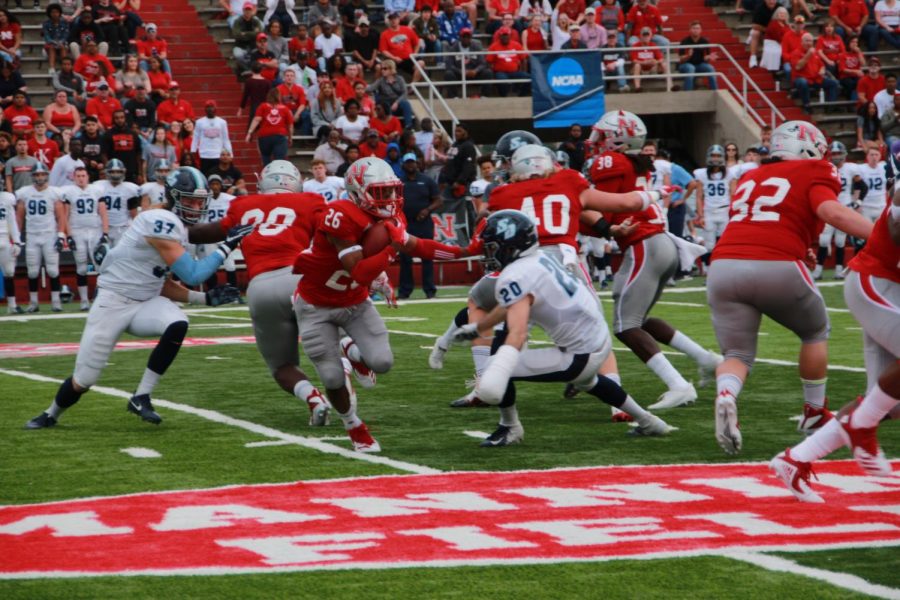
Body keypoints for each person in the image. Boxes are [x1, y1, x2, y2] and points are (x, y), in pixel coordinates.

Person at [24, 167, 250, 430]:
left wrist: (205, 300)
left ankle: (141, 396)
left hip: (145, 301)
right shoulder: (160, 220)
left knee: (177, 323)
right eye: (189, 200)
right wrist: (227, 246)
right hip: (113, 302)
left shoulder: (174, 226)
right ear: (173, 196)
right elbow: (193, 272)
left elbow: (159, 282)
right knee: (84, 380)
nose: (195, 206)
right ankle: (51, 413)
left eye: (199, 201)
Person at [706, 121, 875, 455]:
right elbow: (830, 212)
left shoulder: (750, 176)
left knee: (736, 354)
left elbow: (764, 218)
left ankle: (726, 393)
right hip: (776, 263)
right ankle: (814, 413)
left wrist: (804, 243)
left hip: (723, 265)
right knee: (815, 331)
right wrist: (881, 237)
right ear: (809, 149)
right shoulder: (815, 169)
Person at [448, 209, 672, 446]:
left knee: (499, 363)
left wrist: (499, 366)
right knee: (590, 382)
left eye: (492, 247)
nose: (488, 253)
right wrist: (479, 328)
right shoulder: (540, 258)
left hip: (579, 354)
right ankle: (649, 422)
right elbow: (509, 305)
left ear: (509, 245)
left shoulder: (514, 274)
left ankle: (510, 428)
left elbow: (517, 332)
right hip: (597, 338)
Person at [291, 156, 468, 451]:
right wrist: (390, 253)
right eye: (381, 192)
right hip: (316, 304)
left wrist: (463, 251)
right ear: (357, 190)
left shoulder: (392, 217)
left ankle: (353, 351)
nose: (389, 198)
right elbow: (359, 271)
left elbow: (421, 246)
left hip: (354, 301)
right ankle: (353, 425)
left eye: (392, 191)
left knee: (383, 362)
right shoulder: (340, 214)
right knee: (333, 377)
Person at [770, 193, 899, 502]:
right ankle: (860, 425)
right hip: (876, 281)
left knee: (887, 402)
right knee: (874, 409)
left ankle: (795, 458)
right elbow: (896, 229)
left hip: (890, 288)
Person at [587, 112, 720, 410]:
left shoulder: (612, 161)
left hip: (643, 244)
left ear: (617, 138)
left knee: (625, 326)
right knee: (639, 320)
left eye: (601, 137)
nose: (595, 144)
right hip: (661, 244)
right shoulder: (636, 162)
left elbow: (602, 208)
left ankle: (678, 385)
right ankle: (705, 359)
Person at [15, 163, 67, 312]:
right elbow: (19, 217)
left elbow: (61, 216)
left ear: (47, 175)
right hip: (32, 235)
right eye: (37, 175)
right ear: (32, 176)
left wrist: (61, 234)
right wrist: (17, 238)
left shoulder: (54, 193)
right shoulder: (24, 193)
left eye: (42, 174)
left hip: (49, 235)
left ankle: (56, 302)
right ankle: (33, 302)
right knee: (32, 271)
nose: (40, 177)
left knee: (53, 270)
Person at [812, 141, 865, 280]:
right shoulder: (825, 168)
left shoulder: (851, 168)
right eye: (833, 153)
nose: (836, 156)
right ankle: (818, 271)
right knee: (824, 241)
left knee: (841, 242)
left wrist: (857, 202)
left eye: (838, 153)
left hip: (844, 207)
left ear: (844, 154)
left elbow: (862, 185)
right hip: (829, 207)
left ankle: (839, 271)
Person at [61, 166, 108, 310]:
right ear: (74, 178)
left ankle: (100, 297)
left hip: (95, 230)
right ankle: (84, 300)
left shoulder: (96, 190)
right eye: (78, 176)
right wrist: (68, 236)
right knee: (81, 267)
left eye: (83, 175)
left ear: (88, 177)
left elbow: (103, 213)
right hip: (77, 231)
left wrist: (105, 233)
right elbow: (65, 216)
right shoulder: (69, 192)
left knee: (100, 266)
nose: (81, 178)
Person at [398, 153, 441, 299]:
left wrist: (427, 210)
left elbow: (438, 200)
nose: (410, 165)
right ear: (403, 165)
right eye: (408, 163)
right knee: (405, 258)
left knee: (427, 256)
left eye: (413, 162)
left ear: (417, 164)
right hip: (406, 225)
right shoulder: (398, 182)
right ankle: (404, 291)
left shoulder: (427, 180)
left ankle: (430, 291)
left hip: (424, 224)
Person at [694, 145, 735, 258]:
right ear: (708, 157)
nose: (715, 158)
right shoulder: (701, 174)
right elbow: (699, 196)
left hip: (724, 210)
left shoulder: (729, 173)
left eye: (718, 156)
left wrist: (732, 212)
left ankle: (724, 265)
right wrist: (700, 215)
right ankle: (708, 269)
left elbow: (733, 194)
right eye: (713, 155)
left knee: (725, 241)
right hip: (709, 211)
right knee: (709, 244)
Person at [94, 159, 141, 245]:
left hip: (122, 228)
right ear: (107, 172)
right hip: (102, 227)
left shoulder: (130, 188)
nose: (115, 175)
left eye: (118, 172)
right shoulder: (98, 186)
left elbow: (133, 212)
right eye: (112, 172)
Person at [791, 32, 839, 113]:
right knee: (802, 82)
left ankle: (830, 107)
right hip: (801, 78)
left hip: (815, 78)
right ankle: (807, 105)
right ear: (802, 42)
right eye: (807, 41)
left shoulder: (815, 52)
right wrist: (808, 54)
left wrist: (822, 70)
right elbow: (798, 67)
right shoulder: (796, 53)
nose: (809, 43)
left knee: (834, 83)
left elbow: (822, 65)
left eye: (811, 41)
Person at [246, 88, 294, 166]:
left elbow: (256, 119)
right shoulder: (285, 109)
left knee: (265, 158)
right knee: (279, 161)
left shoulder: (263, 106)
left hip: (264, 136)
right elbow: (290, 125)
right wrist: (290, 137)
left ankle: (267, 176)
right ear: (279, 96)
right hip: (280, 136)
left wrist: (249, 133)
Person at [443, 27, 489, 98]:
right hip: (459, 74)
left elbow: (483, 63)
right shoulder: (454, 48)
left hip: (473, 73)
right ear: (460, 37)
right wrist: (461, 71)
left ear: (471, 38)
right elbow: (449, 64)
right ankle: (454, 97)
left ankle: (484, 96)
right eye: (464, 37)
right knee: (448, 74)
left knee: (487, 72)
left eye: (468, 37)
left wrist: (475, 71)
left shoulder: (476, 47)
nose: (466, 39)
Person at [367, 60, 414, 128]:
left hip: (397, 103)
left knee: (406, 103)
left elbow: (404, 93)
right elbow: (370, 88)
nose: (382, 70)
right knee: (386, 105)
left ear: (391, 69)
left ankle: (408, 125)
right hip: (386, 104)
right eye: (381, 69)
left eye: (385, 68)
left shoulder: (399, 79)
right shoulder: (381, 80)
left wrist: (396, 102)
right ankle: (390, 126)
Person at [378, 13, 423, 83]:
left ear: (399, 19)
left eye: (395, 18)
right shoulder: (384, 34)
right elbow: (383, 50)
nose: (393, 21)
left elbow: (417, 43)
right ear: (389, 21)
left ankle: (413, 85)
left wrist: (414, 54)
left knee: (421, 63)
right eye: (391, 19)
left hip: (409, 59)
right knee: (384, 66)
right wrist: (393, 57)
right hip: (393, 60)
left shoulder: (407, 30)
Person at [192, 100, 233, 175]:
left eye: (212, 107)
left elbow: (226, 139)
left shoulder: (222, 122)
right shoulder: (199, 122)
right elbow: (195, 138)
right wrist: (193, 151)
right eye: (208, 107)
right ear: (205, 109)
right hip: (204, 155)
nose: (210, 109)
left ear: (215, 108)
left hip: (218, 154)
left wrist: (230, 153)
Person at [487, 27, 529, 97]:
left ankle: (521, 96)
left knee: (528, 78)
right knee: (502, 80)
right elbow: (488, 61)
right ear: (500, 36)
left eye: (506, 35)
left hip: (515, 72)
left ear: (510, 36)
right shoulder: (493, 46)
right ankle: (504, 97)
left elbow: (523, 59)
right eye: (503, 35)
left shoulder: (516, 45)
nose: (505, 37)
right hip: (500, 72)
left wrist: (523, 71)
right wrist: (493, 74)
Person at [0, 182, 22, 313]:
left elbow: (12, 221)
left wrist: (17, 241)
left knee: (9, 272)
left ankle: (12, 306)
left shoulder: (7, 198)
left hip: (4, 239)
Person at [678, 21, 717, 91]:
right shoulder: (684, 41)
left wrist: (709, 58)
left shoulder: (705, 41)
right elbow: (681, 59)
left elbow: (706, 58)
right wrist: (688, 56)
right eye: (694, 28)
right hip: (685, 65)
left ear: (701, 30)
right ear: (690, 30)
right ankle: (688, 93)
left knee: (710, 68)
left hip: (699, 65)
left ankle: (715, 92)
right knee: (690, 68)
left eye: (698, 28)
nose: (696, 30)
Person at [857, 145, 889, 223]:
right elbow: (857, 188)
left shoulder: (884, 166)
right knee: (867, 233)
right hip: (866, 206)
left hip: (881, 206)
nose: (874, 157)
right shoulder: (860, 168)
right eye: (871, 155)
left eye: (876, 154)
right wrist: (858, 204)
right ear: (867, 156)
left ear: (880, 156)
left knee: (881, 232)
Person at [630, 27, 668, 92]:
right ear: (640, 36)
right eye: (644, 36)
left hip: (652, 68)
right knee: (637, 65)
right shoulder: (635, 46)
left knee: (664, 64)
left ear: (650, 36)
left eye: (647, 35)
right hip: (641, 68)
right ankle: (637, 87)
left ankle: (670, 85)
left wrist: (655, 61)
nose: (646, 37)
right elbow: (634, 60)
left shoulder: (653, 45)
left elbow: (661, 59)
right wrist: (645, 62)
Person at [232, 2, 265, 73]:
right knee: (238, 55)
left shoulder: (256, 21)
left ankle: (251, 69)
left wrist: (245, 34)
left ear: (252, 11)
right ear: (243, 10)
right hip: (240, 45)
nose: (248, 11)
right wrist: (253, 33)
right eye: (246, 10)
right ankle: (248, 69)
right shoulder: (237, 21)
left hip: (253, 45)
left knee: (258, 54)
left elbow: (260, 33)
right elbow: (236, 35)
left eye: (249, 10)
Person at [43, 3, 71, 75]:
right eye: (53, 12)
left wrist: (61, 42)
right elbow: (46, 36)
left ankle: (64, 68)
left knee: (62, 46)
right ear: (49, 13)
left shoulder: (65, 23)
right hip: (50, 44)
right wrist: (53, 42)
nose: (55, 14)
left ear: (59, 13)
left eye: (56, 12)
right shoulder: (46, 23)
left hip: (62, 43)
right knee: (52, 47)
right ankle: (52, 68)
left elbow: (66, 34)